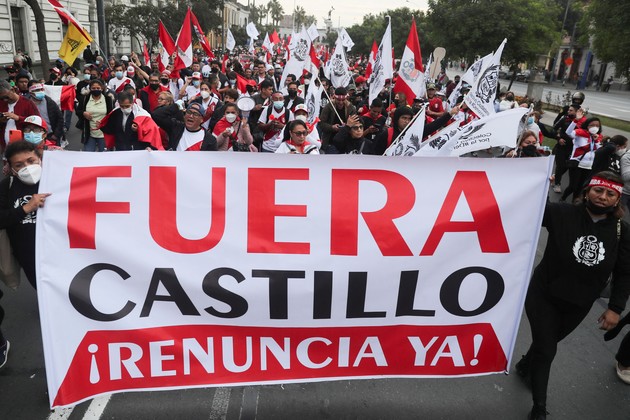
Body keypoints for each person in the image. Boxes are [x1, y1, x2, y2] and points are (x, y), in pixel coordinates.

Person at [515, 170, 630, 420]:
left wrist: (615, 308)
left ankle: (525, 364)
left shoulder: (622, 231)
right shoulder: (561, 213)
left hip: (579, 304)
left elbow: (624, 272)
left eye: (610, 194)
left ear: (617, 199)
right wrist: (536, 182)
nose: (603, 197)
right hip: (544, 294)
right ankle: (539, 408)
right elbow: (528, 210)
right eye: (598, 190)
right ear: (587, 191)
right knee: (547, 350)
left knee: (546, 342)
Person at [0, 140, 51, 289]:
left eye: (31, 161)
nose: (27, 167)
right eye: (19, 165)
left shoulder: (53, 178)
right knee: (43, 291)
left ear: (39, 159)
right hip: (29, 256)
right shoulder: (7, 186)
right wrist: (26, 208)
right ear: (11, 168)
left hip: (60, 249)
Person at [560, 111, 603, 203]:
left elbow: (600, 150)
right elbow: (568, 132)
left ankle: (574, 203)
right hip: (577, 164)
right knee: (573, 186)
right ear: (587, 125)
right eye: (592, 125)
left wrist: (596, 140)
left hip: (588, 166)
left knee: (580, 187)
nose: (595, 127)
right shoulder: (580, 133)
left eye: (597, 126)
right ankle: (563, 198)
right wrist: (575, 121)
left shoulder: (598, 137)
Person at [152, 101, 217, 151]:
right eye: (189, 112)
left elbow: (210, 160)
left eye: (195, 114)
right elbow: (156, 115)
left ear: (201, 119)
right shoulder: (175, 127)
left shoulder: (210, 140)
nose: (191, 116)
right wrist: (176, 106)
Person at [0, 79, 40, 153]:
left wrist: (18, 118)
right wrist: (1, 121)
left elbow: (38, 123)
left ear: (12, 90)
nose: (4, 100)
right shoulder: (1, 104)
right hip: (6, 149)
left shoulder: (28, 103)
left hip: (26, 149)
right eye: (1, 98)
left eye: (6, 97)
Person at [75, 79, 115, 152]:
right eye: (93, 88)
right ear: (90, 89)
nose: (96, 90)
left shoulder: (108, 99)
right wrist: (83, 113)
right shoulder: (85, 99)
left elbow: (112, 116)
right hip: (89, 133)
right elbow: (78, 111)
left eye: (98, 88)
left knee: (104, 156)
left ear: (102, 88)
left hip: (103, 133)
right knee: (88, 154)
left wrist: (104, 124)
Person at [319, 87, 357, 151]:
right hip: (330, 141)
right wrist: (331, 127)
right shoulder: (328, 107)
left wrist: (347, 126)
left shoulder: (351, 108)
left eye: (343, 100)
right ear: (335, 98)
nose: (341, 102)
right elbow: (321, 123)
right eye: (338, 100)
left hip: (346, 141)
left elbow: (355, 123)